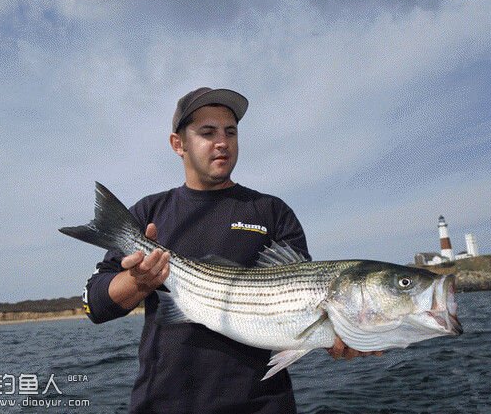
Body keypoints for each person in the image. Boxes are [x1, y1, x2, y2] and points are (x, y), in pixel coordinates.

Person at [83, 87, 377, 414]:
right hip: (163, 404)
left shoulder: (273, 212)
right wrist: (139, 281)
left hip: (264, 406)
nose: (222, 142)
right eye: (207, 132)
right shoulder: (149, 213)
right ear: (177, 144)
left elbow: (299, 309)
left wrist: (342, 335)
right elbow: (94, 305)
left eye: (231, 132)